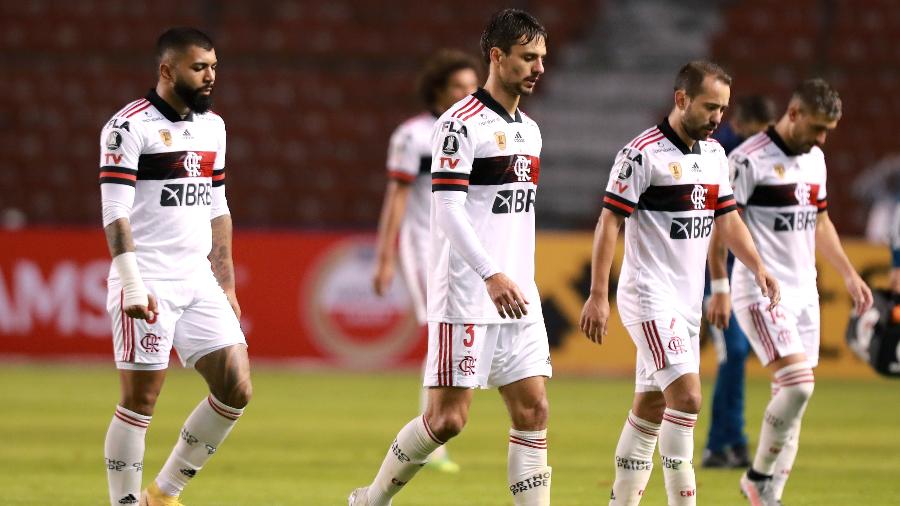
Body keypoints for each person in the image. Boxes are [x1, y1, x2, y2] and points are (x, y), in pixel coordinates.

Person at [351, 8, 551, 506]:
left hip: (519, 295)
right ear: (497, 56)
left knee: (533, 411)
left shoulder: (531, 130)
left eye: (542, 58)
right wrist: (490, 273)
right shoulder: (458, 125)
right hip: (469, 292)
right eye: (527, 58)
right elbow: (447, 209)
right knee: (447, 421)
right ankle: (371, 499)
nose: (538, 68)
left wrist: (513, 276)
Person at [579, 61, 780, 506]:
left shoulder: (713, 157)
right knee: (687, 398)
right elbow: (609, 221)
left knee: (651, 408)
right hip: (649, 295)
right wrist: (598, 294)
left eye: (723, 109)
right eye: (710, 106)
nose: (717, 118)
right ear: (681, 99)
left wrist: (758, 266)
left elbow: (728, 219)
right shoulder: (640, 154)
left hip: (687, 301)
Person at [99, 28, 251, 506]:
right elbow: (115, 212)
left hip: (198, 280)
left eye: (213, 67)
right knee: (141, 401)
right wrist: (132, 285)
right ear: (167, 70)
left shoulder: (214, 127)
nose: (210, 77)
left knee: (236, 388)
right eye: (198, 67)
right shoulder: (128, 128)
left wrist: (225, 281)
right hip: (149, 281)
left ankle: (164, 494)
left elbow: (217, 204)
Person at [721, 78, 873, 505]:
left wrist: (847, 273)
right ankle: (756, 477)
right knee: (798, 386)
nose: (821, 138)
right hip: (761, 291)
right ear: (793, 113)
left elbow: (820, 222)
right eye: (817, 127)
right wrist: (718, 284)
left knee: (792, 401)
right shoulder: (747, 161)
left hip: (806, 291)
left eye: (828, 130)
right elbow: (724, 224)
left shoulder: (816, 161)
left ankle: (769, 497)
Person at [371, 49, 480, 474]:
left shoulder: (479, 132)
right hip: (423, 245)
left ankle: (433, 431)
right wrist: (385, 258)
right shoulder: (413, 136)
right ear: (438, 90)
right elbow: (396, 198)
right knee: (440, 328)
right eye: (458, 86)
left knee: (450, 332)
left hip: (464, 248)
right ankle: (434, 438)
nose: (467, 94)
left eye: (473, 86)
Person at [702, 95, 777, 469]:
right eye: (757, 134)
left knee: (736, 357)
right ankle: (722, 443)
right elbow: (721, 223)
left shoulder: (748, 155)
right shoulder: (722, 153)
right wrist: (718, 287)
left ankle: (729, 442)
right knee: (732, 354)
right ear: (742, 125)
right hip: (713, 280)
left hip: (741, 277)